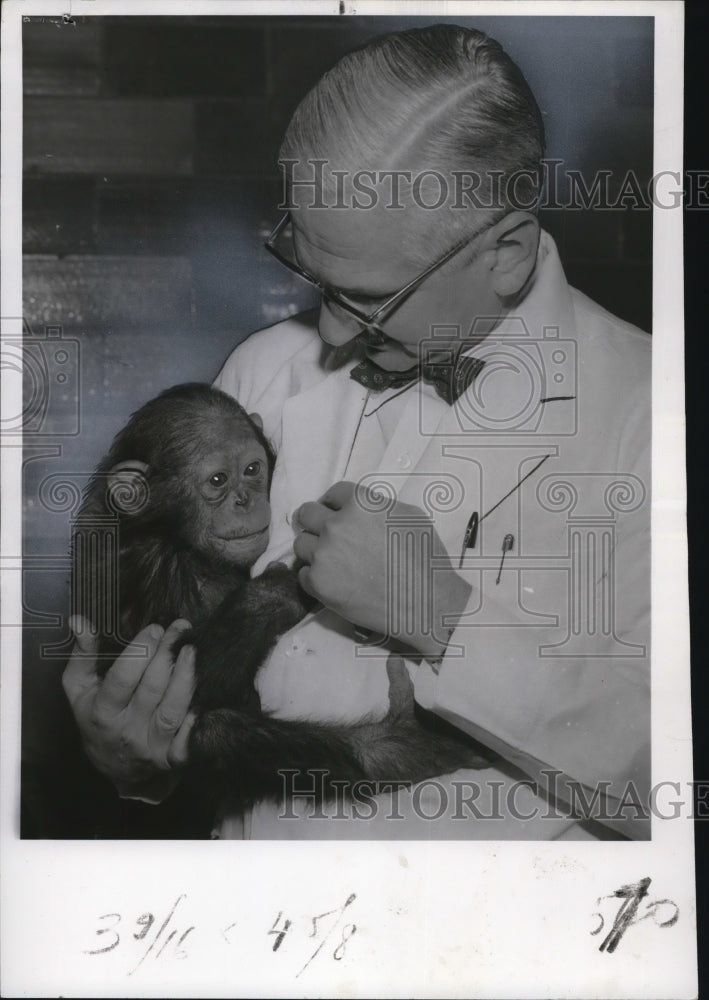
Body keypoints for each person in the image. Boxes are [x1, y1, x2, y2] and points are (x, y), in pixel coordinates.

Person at [63, 24, 650, 840]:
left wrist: (439, 614)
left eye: (367, 297)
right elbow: (204, 717)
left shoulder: (649, 413)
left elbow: (668, 781)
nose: (331, 337)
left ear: (507, 252)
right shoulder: (265, 370)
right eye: (310, 274)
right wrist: (137, 764)